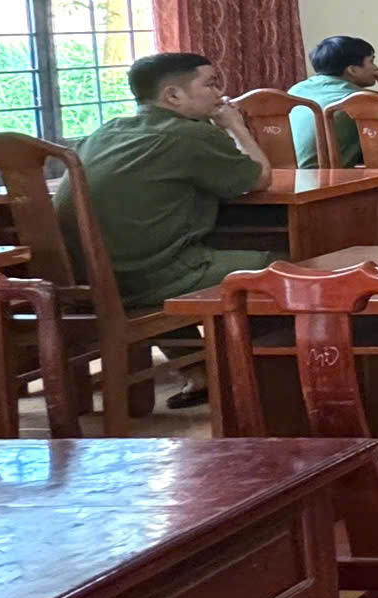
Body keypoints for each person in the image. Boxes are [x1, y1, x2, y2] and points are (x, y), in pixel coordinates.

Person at [63, 52, 275, 408]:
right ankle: (262, 380)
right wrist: (235, 126)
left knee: (168, 258)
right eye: (210, 84)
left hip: (86, 280)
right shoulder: (188, 135)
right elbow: (259, 178)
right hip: (144, 280)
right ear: (173, 95)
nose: (220, 93)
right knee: (280, 266)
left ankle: (199, 373)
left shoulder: (107, 130)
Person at [286, 35, 378, 167]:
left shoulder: (295, 90)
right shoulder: (362, 100)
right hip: (328, 178)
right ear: (353, 70)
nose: (376, 68)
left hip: (285, 176)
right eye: (371, 61)